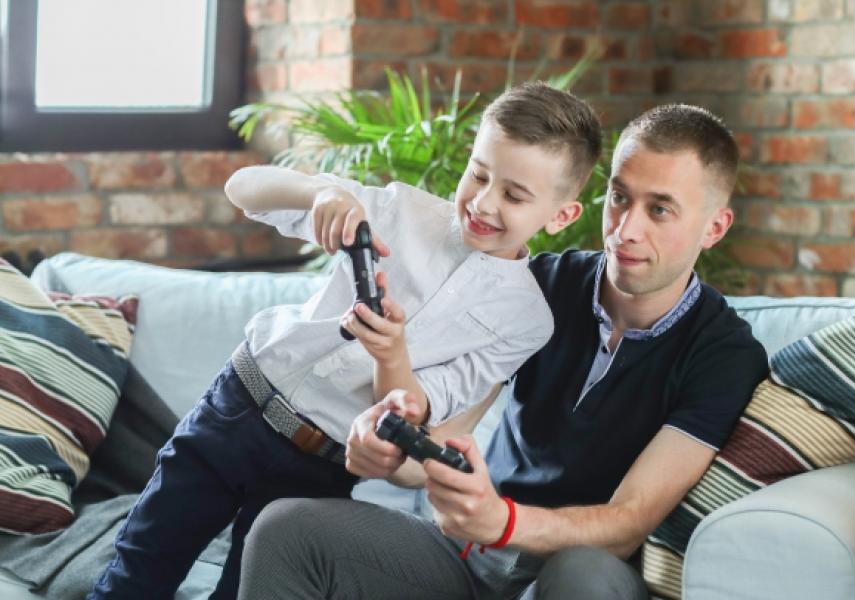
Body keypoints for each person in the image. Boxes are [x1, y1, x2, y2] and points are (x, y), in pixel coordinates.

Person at [88, 82, 603, 599]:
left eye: (514, 195)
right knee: (137, 572)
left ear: (561, 215)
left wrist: (391, 355)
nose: (484, 202)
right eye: (479, 174)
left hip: (318, 467)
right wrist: (320, 193)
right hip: (236, 410)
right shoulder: (399, 209)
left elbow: (417, 408)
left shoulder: (524, 322)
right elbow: (243, 188)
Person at [235, 104, 771, 600]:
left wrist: (506, 521)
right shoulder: (535, 291)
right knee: (288, 528)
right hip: (469, 556)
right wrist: (393, 453)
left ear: (714, 227)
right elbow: (432, 452)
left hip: (577, 573)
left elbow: (627, 521)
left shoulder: (725, 355)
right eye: (620, 197)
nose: (626, 230)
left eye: (660, 210)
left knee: (580, 570)